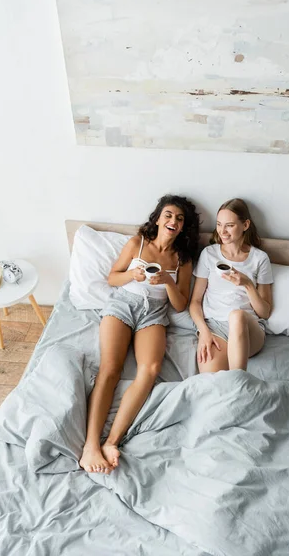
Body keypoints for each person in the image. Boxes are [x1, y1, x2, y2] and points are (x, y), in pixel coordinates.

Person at [80, 195, 200, 474]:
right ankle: (90, 446)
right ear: (158, 218)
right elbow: (112, 277)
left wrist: (169, 280)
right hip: (122, 305)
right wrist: (131, 276)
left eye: (180, 219)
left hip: (154, 313)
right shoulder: (138, 243)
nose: (173, 221)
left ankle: (111, 441)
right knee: (110, 368)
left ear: (183, 227)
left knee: (151, 369)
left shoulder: (182, 259)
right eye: (169, 215)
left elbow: (180, 303)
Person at [189, 198, 273, 373]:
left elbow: (265, 312)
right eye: (219, 225)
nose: (222, 231)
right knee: (212, 383)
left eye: (229, 225)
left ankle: (240, 378)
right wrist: (204, 331)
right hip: (215, 327)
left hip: (249, 330)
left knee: (236, 315)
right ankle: (239, 388)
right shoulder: (209, 254)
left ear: (245, 225)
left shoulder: (260, 259)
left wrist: (248, 284)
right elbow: (195, 302)